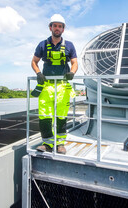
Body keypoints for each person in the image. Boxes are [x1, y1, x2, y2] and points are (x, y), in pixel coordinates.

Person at [31, 14, 78, 154]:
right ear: (50, 27)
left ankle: (60, 144)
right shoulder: (42, 45)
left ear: (63, 29)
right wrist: (38, 73)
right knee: (45, 115)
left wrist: (72, 73)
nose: (57, 28)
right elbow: (34, 61)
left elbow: (75, 62)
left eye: (60, 26)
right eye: (55, 26)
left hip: (63, 86)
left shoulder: (69, 45)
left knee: (61, 115)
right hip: (47, 86)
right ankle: (47, 143)